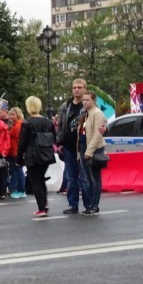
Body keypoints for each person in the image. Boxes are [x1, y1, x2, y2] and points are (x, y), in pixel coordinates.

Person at [57, 79, 92, 214]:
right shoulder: (66, 106)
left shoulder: (88, 106)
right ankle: (73, 205)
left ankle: (89, 205)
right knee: (72, 178)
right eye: (74, 87)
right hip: (68, 147)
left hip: (83, 146)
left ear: (85, 89)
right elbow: (60, 125)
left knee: (84, 177)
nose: (76, 90)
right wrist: (59, 143)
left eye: (80, 87)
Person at [17, 95, 56, 217]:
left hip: (32, 155)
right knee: (41, 179)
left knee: (36, 182)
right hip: (46, 154)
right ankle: (44, 204)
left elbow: (22, 142)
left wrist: (18, 159)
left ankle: (42, 208)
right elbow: (54, 137)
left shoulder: (27, 123)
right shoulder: (48, 122)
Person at [78, 91, 107, 216]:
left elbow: (97, 134)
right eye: (83, 100)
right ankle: (90, 205)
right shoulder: (86, 114)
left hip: (94, 148)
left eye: (87, 100)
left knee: (95, 179)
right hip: (84, 146)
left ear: (94, 101)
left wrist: (89, 151)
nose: (84, 102)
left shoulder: (97, 113)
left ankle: (95, 205)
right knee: (88, 178)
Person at [7, 107, 26, 199]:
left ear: (18, 115)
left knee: (16, 171)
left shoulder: (18, 125)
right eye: (10, 114)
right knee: (18, 171)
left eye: (13, 114)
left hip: (15, 152)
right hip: (15, 152)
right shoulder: (17, 124)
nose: (10, 116)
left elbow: (20, 140)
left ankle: (17, 190)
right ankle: (20, 190)